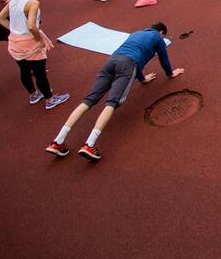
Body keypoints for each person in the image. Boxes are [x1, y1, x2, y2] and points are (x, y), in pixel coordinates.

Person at [45, 23, 184, 161]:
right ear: (160, 32)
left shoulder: (136, 33)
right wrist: (171, 73)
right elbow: (162, 59)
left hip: (111, 61)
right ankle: (89, 144)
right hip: (128, 65)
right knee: (111, 103)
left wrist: (142, 79)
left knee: (88, 100)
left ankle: (58, 141)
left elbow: (137, 57)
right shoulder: (158, 38)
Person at [5, 0, 69, 110]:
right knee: (40, 72)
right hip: (29, 41)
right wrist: (39, 40)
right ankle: (50, 99)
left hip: (14, 41)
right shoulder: (32, 3)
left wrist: (15, 30)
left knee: (24, 70)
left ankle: (34, 95)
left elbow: (0, 18)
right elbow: (32, 26)